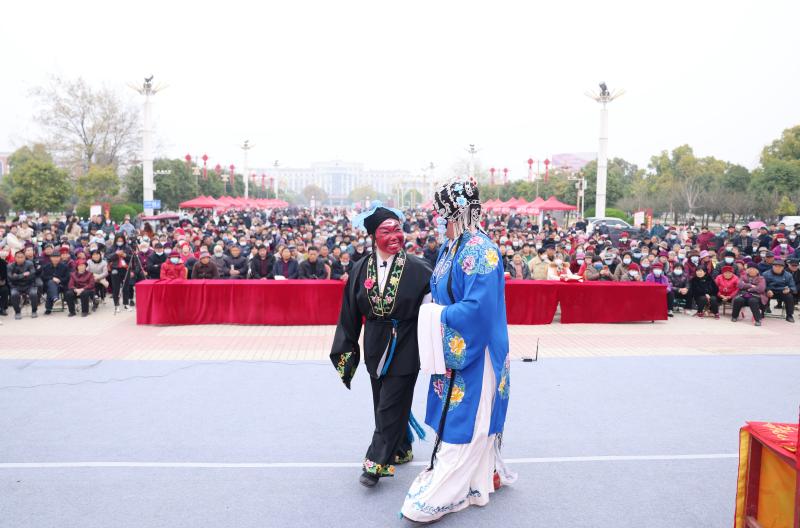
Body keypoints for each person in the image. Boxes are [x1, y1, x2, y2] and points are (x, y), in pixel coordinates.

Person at [402, 180, 515, 523]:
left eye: (443, 215)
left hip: (477, 351)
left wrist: (435, 315)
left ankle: (448, 493)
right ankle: (477, 482)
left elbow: (478, 309)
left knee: (470, 422)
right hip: (452, 342)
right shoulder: (451, 247)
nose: (438, 220)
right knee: (458, 417)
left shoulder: (481, 251)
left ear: (460, 214)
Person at [330, 202, 432, 488]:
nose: (394, 236)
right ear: (374, 236)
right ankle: (401, 448)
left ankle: (375, 464)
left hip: (407, 343)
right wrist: (347, 349)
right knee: (382, 402)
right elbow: (349, 312)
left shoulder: (421, 269)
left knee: (390, 404)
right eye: (386, 232)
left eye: (397, 229)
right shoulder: (360, 269)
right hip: (375, 344)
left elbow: (434, 310)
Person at [762, 259, 796, 323]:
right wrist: (767, 290)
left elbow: (793, 286)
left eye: (780, 266)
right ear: (772, 266)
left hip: (782, 291)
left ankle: (789, 315)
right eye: (775, 266)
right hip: (770, 291)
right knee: (762, 294)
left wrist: (789, 290)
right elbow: (762, 285)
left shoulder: (788, 275)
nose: (777, 268)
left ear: (783, 267)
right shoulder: (765, 274)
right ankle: (761, 312)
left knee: (789, 297)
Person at [8, 250, 38, 319]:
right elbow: (10, 278)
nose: (20, 259)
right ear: (15, 258)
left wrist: (16, 276)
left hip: (29, 285)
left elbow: (32, 275)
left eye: (22, 257)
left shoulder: (30, 264)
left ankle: (34, 311)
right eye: (18, 257)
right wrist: (23, 275)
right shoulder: (10, 266)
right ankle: (17, 312)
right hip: (16, 286)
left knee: (33, 293)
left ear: (25, 257)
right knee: (14, 294)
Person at [107, 234, 133, 313]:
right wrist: (116, 254)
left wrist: (125, 255)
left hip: (125, 269)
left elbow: (132, 258)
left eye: (121, 241)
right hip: (115, 269)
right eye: (118, 241)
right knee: (116, 288)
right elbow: (108, 257)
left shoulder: (128, 248)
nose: (120, 242)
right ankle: (116, 304)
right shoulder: (111, 248)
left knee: (126, 287)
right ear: (115, 240)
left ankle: (126, 303)